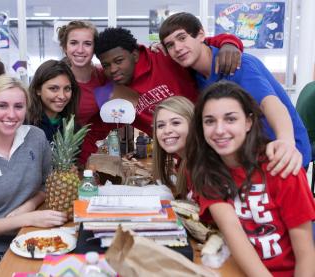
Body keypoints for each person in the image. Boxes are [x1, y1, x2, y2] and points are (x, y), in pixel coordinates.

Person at [184, 81, 315, 276]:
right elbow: (233, 232)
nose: (219, 130)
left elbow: (306, 254)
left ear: (248, 122)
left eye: (230, 119)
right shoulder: (205, 170)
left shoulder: (280, 166)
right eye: (210, 121)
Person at [159, 12, 311, 177]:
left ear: (201, 35)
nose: (178, 48)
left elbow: (270, 103)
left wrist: (286, 141)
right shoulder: (194, 74)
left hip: (282, 154)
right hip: (248, 158)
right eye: (170, 45)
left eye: (182, 38)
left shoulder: (237, 63)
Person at [78, 26, 244, 164]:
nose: (112, 69)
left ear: (134, 55)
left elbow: (200, 45)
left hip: (216, 143)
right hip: (182, 159)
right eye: (106, 65)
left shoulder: (162, 56)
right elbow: (94, 131)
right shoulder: (114, 94)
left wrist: (229, 43)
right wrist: (81, 167)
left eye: (119, 60)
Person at [0, 75, 67, 276]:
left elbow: (47, 184)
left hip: (37, 237)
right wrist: (26, 218)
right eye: (2, 106)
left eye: (19, 106)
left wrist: (29, 205)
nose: (11, 114)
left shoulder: (35, 137)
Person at [57, 21, 106, 126]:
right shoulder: (56, 80)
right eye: (73, 43)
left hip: (97, 140)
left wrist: (150, 50)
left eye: (87, 44)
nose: (80, 50)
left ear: (95, 48)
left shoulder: (105, 75)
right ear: (65, 47)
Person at [152, 96, 194, 197]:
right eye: (161, 125)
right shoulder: (182, 161)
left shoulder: (202, 166)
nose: (167, 131)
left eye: (175, 123)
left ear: (193, 124)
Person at [28, 59, 80, 142]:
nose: (62, 96)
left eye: (67, 88)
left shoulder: (73, 127)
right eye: (53, 88)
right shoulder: (25, 125)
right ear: (38, 89)